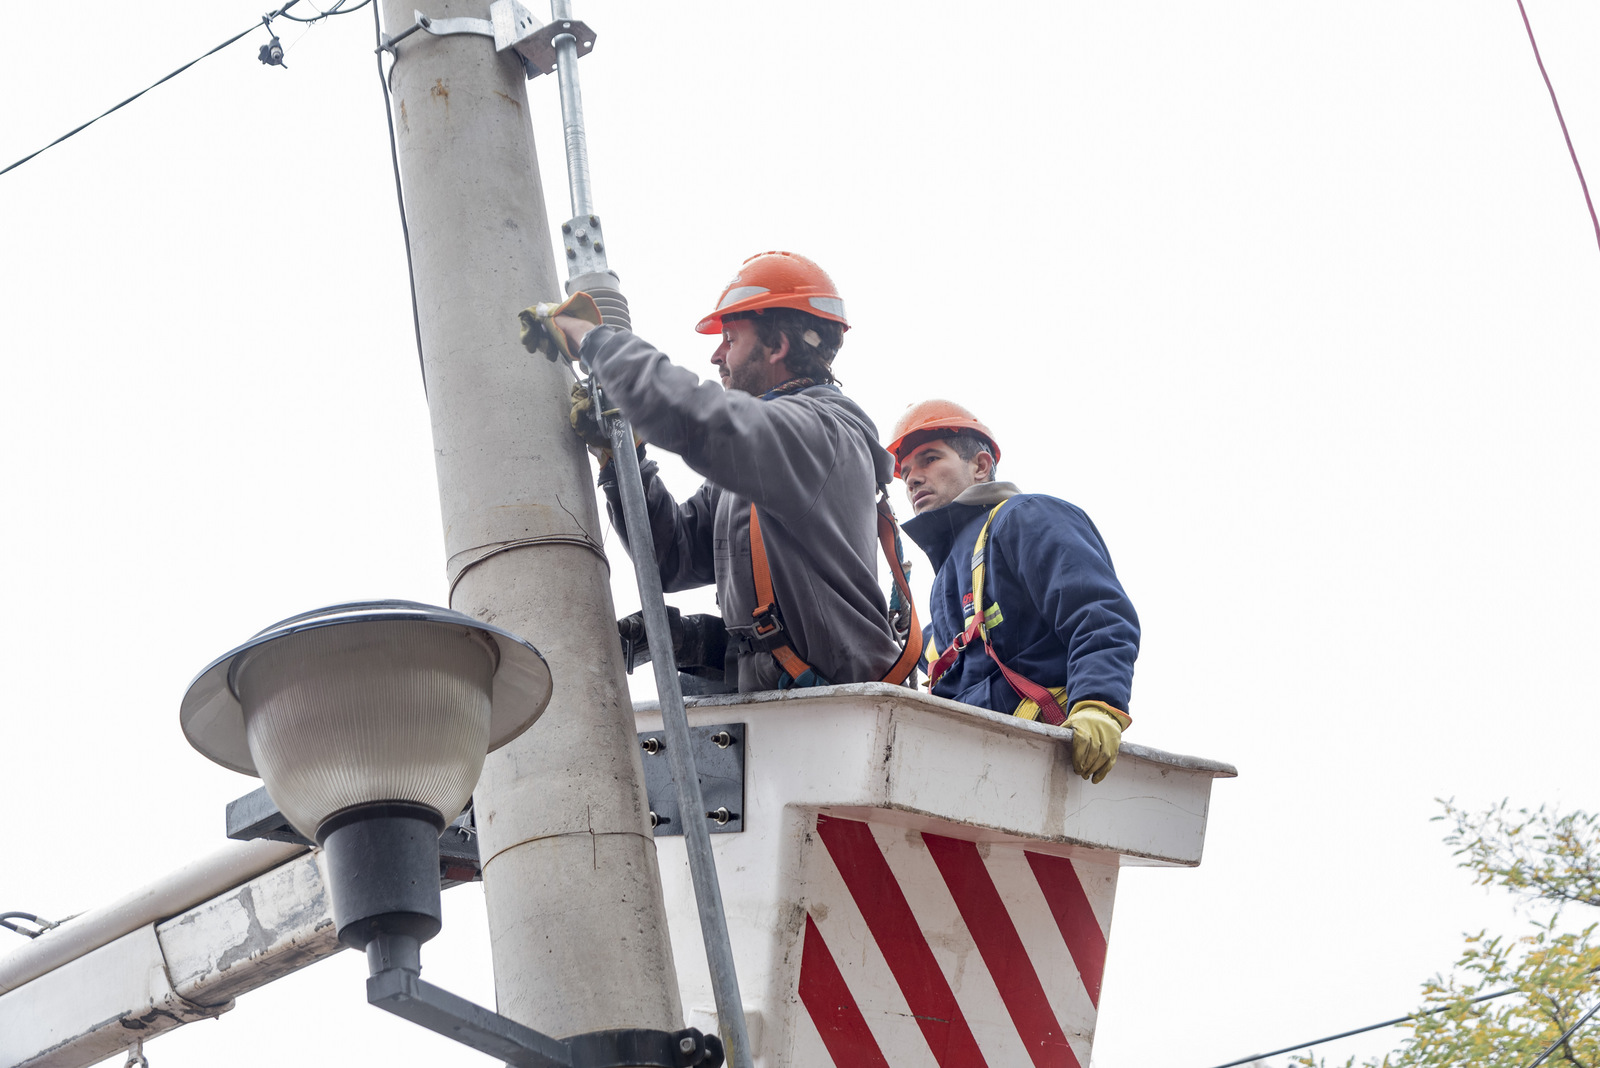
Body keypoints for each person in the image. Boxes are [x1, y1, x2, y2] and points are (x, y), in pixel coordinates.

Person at [539, 251, 916, 692]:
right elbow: (671, 557)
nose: (717, 355)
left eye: (731, 339)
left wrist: (593, 340)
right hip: (791, 712)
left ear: (777, 347)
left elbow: (699, 417)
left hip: (839, 714)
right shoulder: (759, 462)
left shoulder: (821, 434)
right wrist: (624, 461)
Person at [887, 400, 1140, 783]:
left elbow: (1097, 612)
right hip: (975, 768)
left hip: (1047, 761)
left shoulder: (1024, 518)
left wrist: (1098, 704)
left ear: (981, 466)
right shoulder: (945, 579)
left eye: (930, 459)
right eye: (906, 471)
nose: (913, 478)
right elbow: (952, 665)